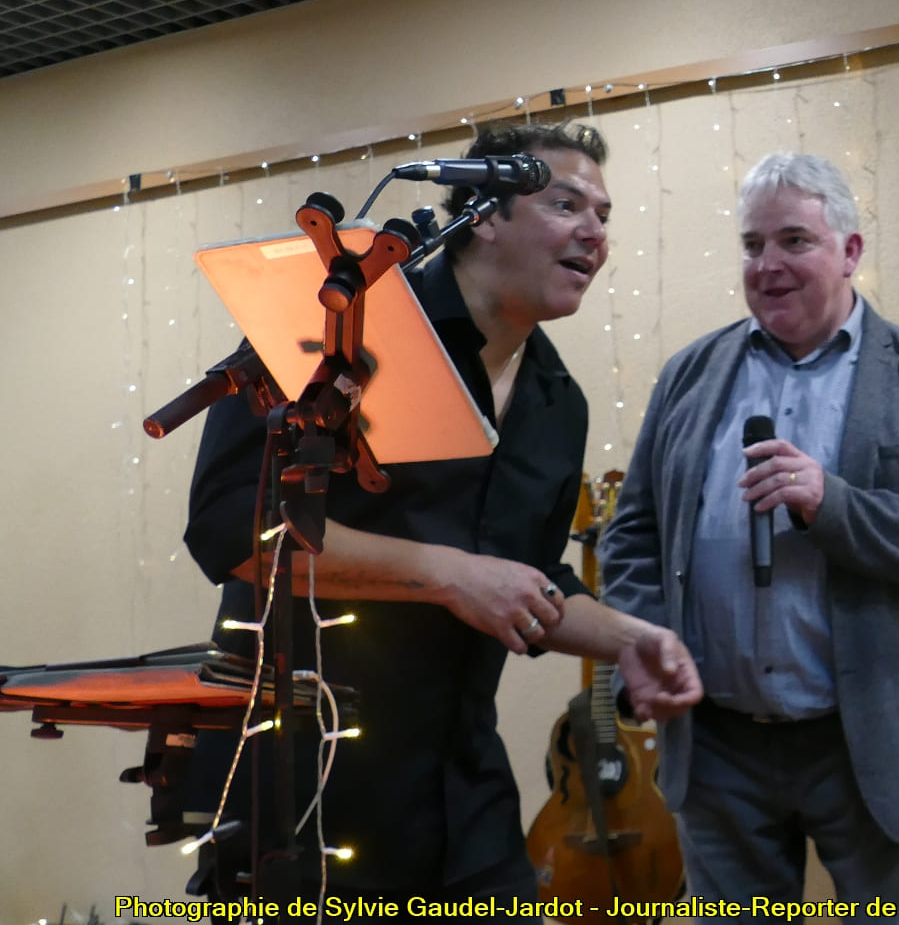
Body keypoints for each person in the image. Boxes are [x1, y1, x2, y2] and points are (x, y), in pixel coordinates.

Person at [180, 121, 700, 904]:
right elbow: (230, 529)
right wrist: (448, 576)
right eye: (566, 205)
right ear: (483, 215)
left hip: (464, 805)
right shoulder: (339, 327)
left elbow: (526, 577)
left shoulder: (558, 402)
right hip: (304, 796)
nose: (595, 232)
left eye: (604, 214)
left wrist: (633, 640)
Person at [598, 151, 899, 915]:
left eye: (794, 241)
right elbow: (633, 535)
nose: (768, 265)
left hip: (866, 743)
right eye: (753, 245)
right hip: (715, 746)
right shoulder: (689, 375)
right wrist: (640, 647)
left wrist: (831, 504)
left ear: (850, 251)